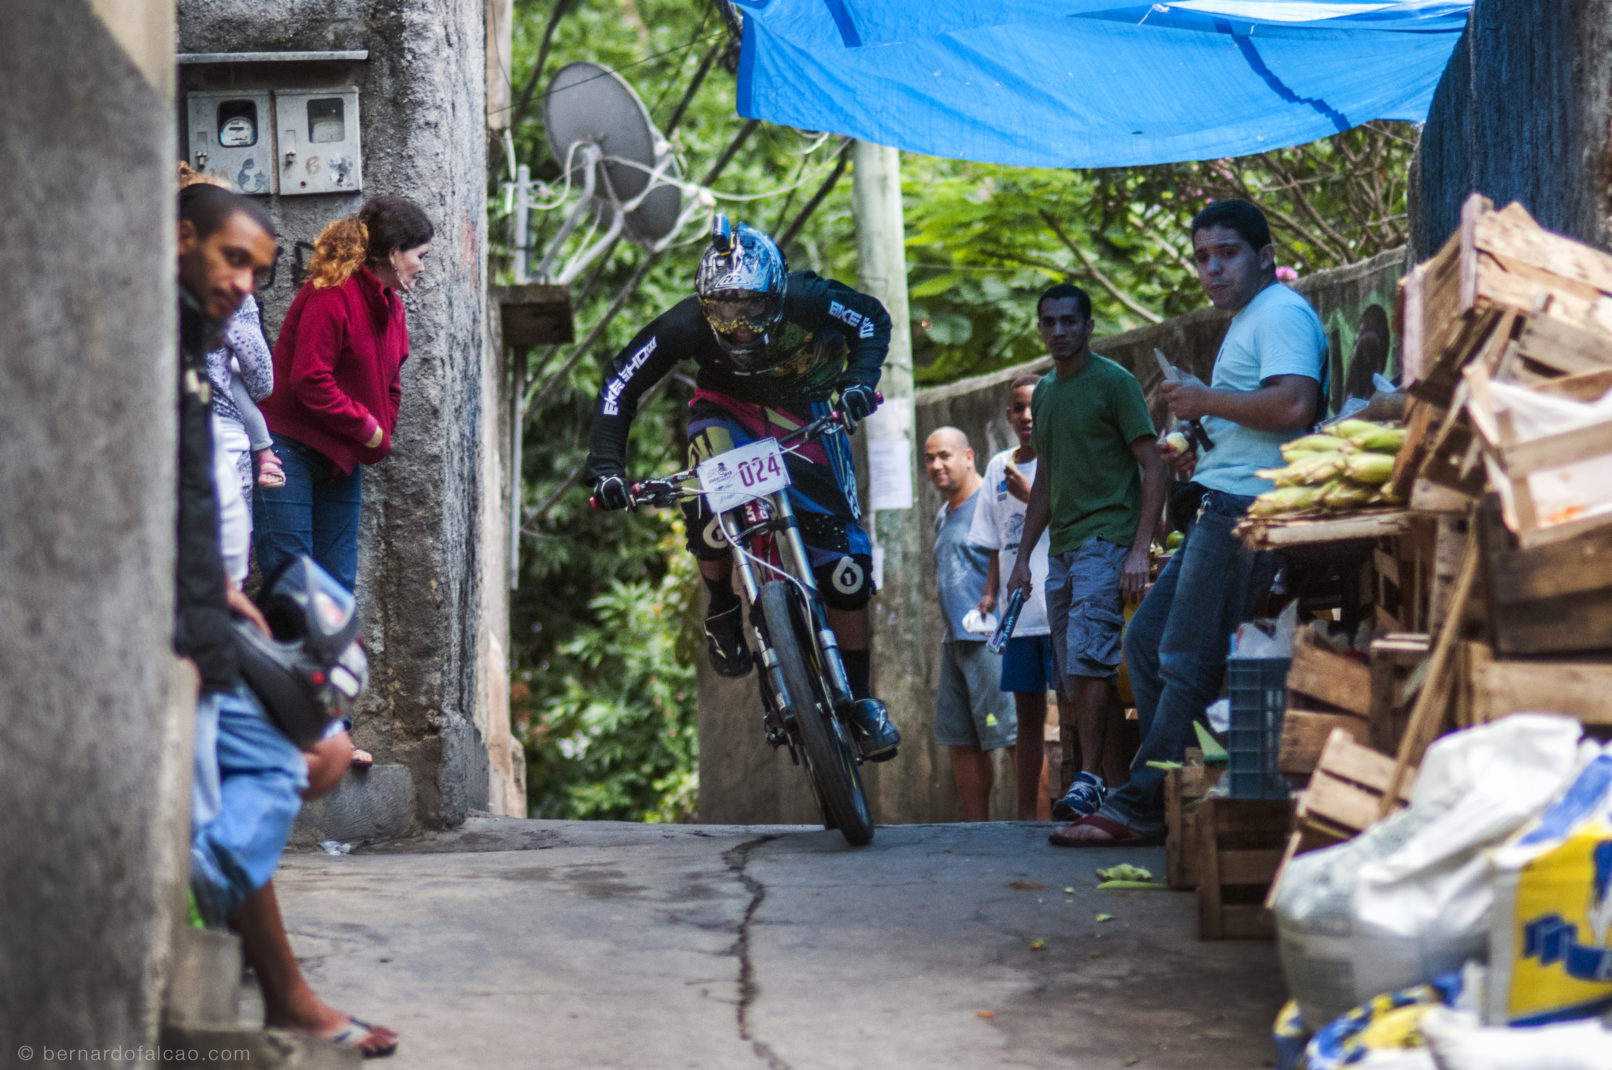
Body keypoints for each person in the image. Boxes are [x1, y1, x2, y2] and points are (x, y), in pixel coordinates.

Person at [177, 182, 398, 1057]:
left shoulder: (201, 343)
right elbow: (293, 383)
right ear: (182, 236)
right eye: (232, 259)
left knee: (310, 749)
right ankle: (170, 905)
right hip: (185, 618)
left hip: (210, 601)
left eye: (256, 273)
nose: (243, 284)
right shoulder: (154, 336)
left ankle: (278, 988)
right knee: (284, 764)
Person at [1053, 199, 1326, 846]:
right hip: (1223, 497)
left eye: (1226, 254)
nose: (1212, 269)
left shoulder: (1282, 313)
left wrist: (1204, 399)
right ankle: (1185, 783)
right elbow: (1261, 408)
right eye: (1203, 258)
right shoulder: (1252, 318)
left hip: (1248, 509)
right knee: (1148, 644)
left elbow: (1293, 404)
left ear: (1264, 256)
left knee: (1183, 654)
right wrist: (1204, 429)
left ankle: (1145, 803)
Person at [585, 215, 900, 761]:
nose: (740, 324)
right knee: (705, 487)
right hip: (726, 414)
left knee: (846, 573)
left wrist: (857, 383)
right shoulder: (687, 324)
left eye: (752, 306)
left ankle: (862, 702)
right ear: (706, 306)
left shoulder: (810, 297)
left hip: (805, 409)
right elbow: (620, 382)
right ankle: (723, 604)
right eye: (725, 310)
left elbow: (872, 321)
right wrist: (606, 468)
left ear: (777, 293)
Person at [1001, 284, 1167, 845]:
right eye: (1049, 322)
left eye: (1070, 321)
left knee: (1092, 660)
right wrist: (1023, 557)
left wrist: (1140, 548)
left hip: (1108, 539)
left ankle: (1090, 778)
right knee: (1075, 670)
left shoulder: (1115, 384)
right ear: (1041, 328)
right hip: (1064, 548)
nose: (1059, 331)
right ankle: (1107, 786)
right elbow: (1046, 478)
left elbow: (1154, 464)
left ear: (1089, 326)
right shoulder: (1044, 394)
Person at [254, 194, 433, 595]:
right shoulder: (332, 292)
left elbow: (391, 383)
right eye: (419, 254)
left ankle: (330, 661)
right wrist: (368, 428)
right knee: (291, 583)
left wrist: (380, 434)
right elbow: (310, 379)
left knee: (338, 586)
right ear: (392, 252)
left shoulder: (393, 308)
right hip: (287, 449)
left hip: (341, 459)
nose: (423, 265)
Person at [968, 374, 1069, 821]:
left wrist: (1033, 496)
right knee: (1026, 722)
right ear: (1008, 415)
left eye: (1033, 407)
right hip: (1019, 615)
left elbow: (1075, 518)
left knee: (1071, 714)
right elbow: (993, 542)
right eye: (1018, 408)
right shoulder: (996, 467)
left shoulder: (1061, 459)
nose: (1026, 416)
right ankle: (1026, 816)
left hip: (1060, 609)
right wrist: (990, 592)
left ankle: (1075, 807)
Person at [926, 427, 1017, 822]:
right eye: (929, 459)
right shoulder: (943, 514)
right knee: (961, 742)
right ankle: (975, 832)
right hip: (954, 644)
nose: (936, 465)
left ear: (969, 455)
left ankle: (1039, 824)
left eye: (944, 455)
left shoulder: (993, 501)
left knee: (1014, 738)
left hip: (991, 640)